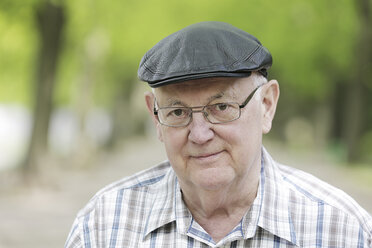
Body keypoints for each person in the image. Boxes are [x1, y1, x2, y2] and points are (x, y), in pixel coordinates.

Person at [65, 21, 372, 247]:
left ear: (267, 105)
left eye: (221, 107)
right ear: (156, 118)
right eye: (177, 112)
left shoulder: (342, 230)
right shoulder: (103, 226)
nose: (199, 135)